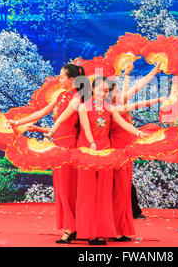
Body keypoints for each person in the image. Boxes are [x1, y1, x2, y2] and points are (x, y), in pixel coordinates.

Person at [7, 64, 89, 244]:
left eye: (61, 77)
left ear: (72, 80)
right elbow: (42, 112)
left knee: (68, 189)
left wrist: (48, 131)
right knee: (61, 189)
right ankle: (72, 226)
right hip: (57, 145)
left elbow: (62, 124)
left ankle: (72, 228)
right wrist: (18, 122)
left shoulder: (78, 98)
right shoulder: (61, 96)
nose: (58, 80)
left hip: (68, 147)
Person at [75, 76, 150, 245]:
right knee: (88, 194)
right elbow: (86, 127)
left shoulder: (109, 108)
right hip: (88, 152)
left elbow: (123, 124)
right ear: (93, 89)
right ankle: (90, 233)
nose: (103, 94)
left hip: (106, 154)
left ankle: (102, 232)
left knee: (104, 195)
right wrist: (92, 142)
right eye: (101, 90)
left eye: (106, 91)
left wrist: (138, 133)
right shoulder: (83, 106)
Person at [107, 62, 166, 241]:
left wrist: (153, 71)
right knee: (118, 190)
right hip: (116, 150)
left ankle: (119, 226)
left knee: (123, 189)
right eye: (115, 91)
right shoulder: (111, 108)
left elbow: (138, 86)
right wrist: (158, 100)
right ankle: (114, 227)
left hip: (126, 149)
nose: (120, 93)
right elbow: (137, 104)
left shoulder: (118, 102)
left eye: (119, 90)